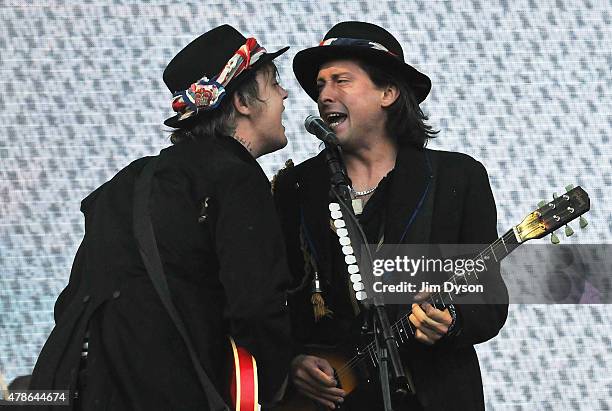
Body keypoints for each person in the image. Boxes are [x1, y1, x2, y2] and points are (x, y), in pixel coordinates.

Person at [28, 25, 293, 410]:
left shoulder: (126, 183)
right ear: (244, 103)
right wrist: (278, 385)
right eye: (274, 84)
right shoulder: (236, 176)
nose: (285, 95)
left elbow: (74, 300)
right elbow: (256, 308)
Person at [273, 21, 508, 410]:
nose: (324, 95)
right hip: (333, 397)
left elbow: (489, 297)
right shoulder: (296, 187)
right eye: (320, 85)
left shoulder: (457, 177)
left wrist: (452, 319)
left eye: (341, 80)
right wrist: (292, 361)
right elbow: (274, 301)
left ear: (388, 92)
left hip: (433, 394)